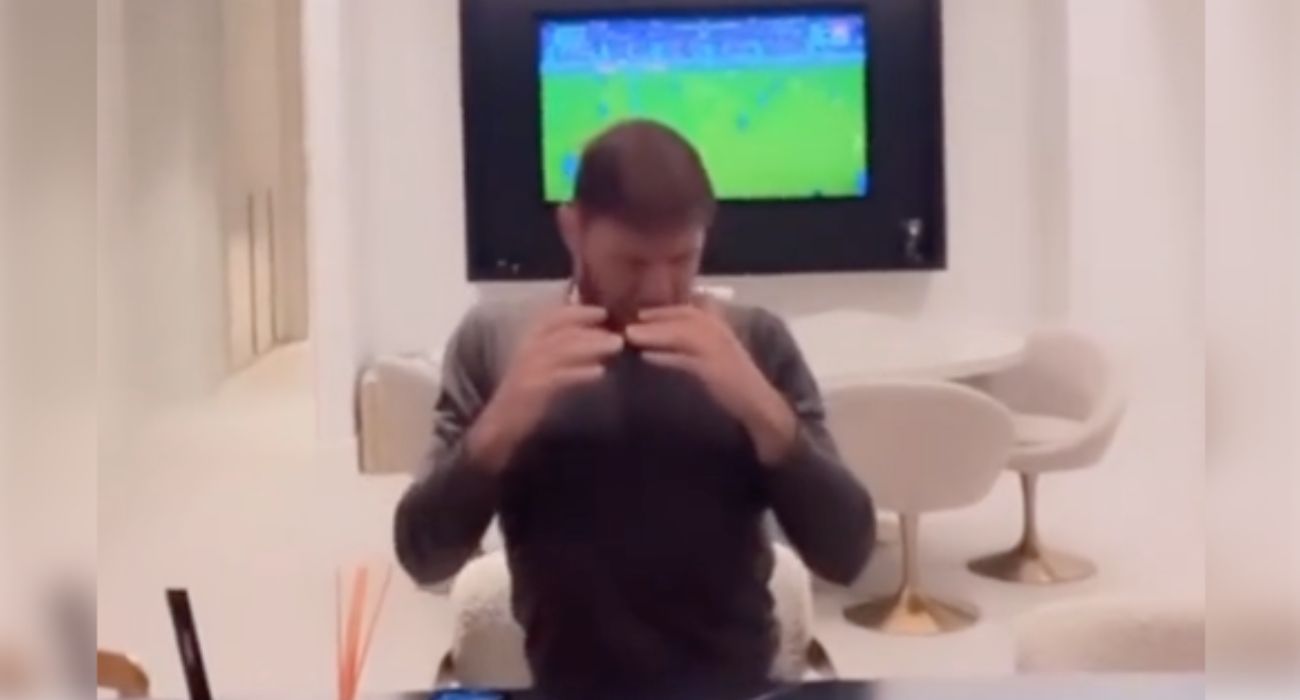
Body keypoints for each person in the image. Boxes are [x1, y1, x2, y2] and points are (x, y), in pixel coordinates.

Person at [395, 119, 875, 699]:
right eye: (631, 263)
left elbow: (847, 554)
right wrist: (501, 424)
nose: (659, 290)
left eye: (682, 259)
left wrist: (762, 411)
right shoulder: (496, 341)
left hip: (734, 689)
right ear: (572, 229)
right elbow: (424, 556)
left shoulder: (754, 340)